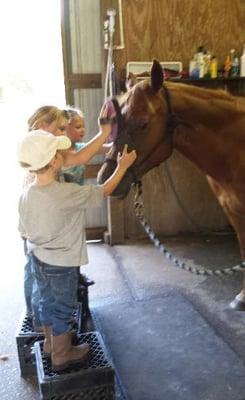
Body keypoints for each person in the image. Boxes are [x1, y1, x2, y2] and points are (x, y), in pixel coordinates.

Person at [17, 130, 136, 372]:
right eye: (61, 153)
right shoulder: (64, 192)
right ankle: (62, 354)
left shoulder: (27, 193)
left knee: (47, 303)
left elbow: (23, 231)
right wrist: (123, 167)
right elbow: (104, 190)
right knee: (62, 308)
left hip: (38, 258)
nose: (66, 155)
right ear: (53, 162)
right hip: (61, 263)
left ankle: (51, 345)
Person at [23, 104, 114, 329]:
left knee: (41, 276)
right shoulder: (42, 155)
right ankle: (41, 322)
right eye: (61, 129)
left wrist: (104, 135)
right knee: (37, 277)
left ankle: (46, 326)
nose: (66, 133)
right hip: (40, 229)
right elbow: (81, 158)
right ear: (42, 127)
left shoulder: (43, 152)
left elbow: (80, 155)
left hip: (41, 228)